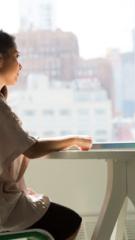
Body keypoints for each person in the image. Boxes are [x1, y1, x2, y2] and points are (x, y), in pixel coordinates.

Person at [0, 30, 92, 240]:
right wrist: (73, 139)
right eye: (16, 56)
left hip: (7, 201)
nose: (20, 65)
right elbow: (32, 149)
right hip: (4, 210)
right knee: (70, 222)